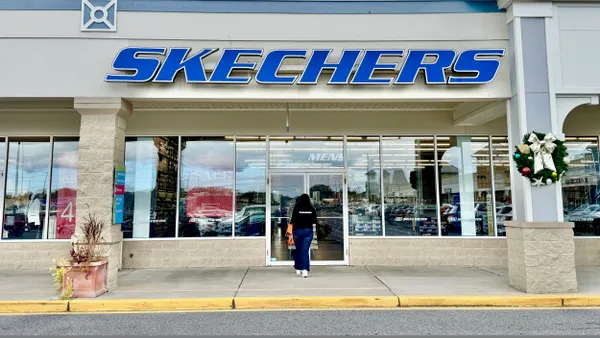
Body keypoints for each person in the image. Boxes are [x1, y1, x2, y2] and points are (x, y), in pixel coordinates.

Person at [287, 194, 317, 278]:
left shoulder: (297, 208)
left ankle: (298, 268)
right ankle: (305, 270)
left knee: (298, 250)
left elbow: (292, 220)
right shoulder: (311, 208)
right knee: (305, 251)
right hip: (308, 232)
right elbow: (315, 221)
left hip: (297, 232)